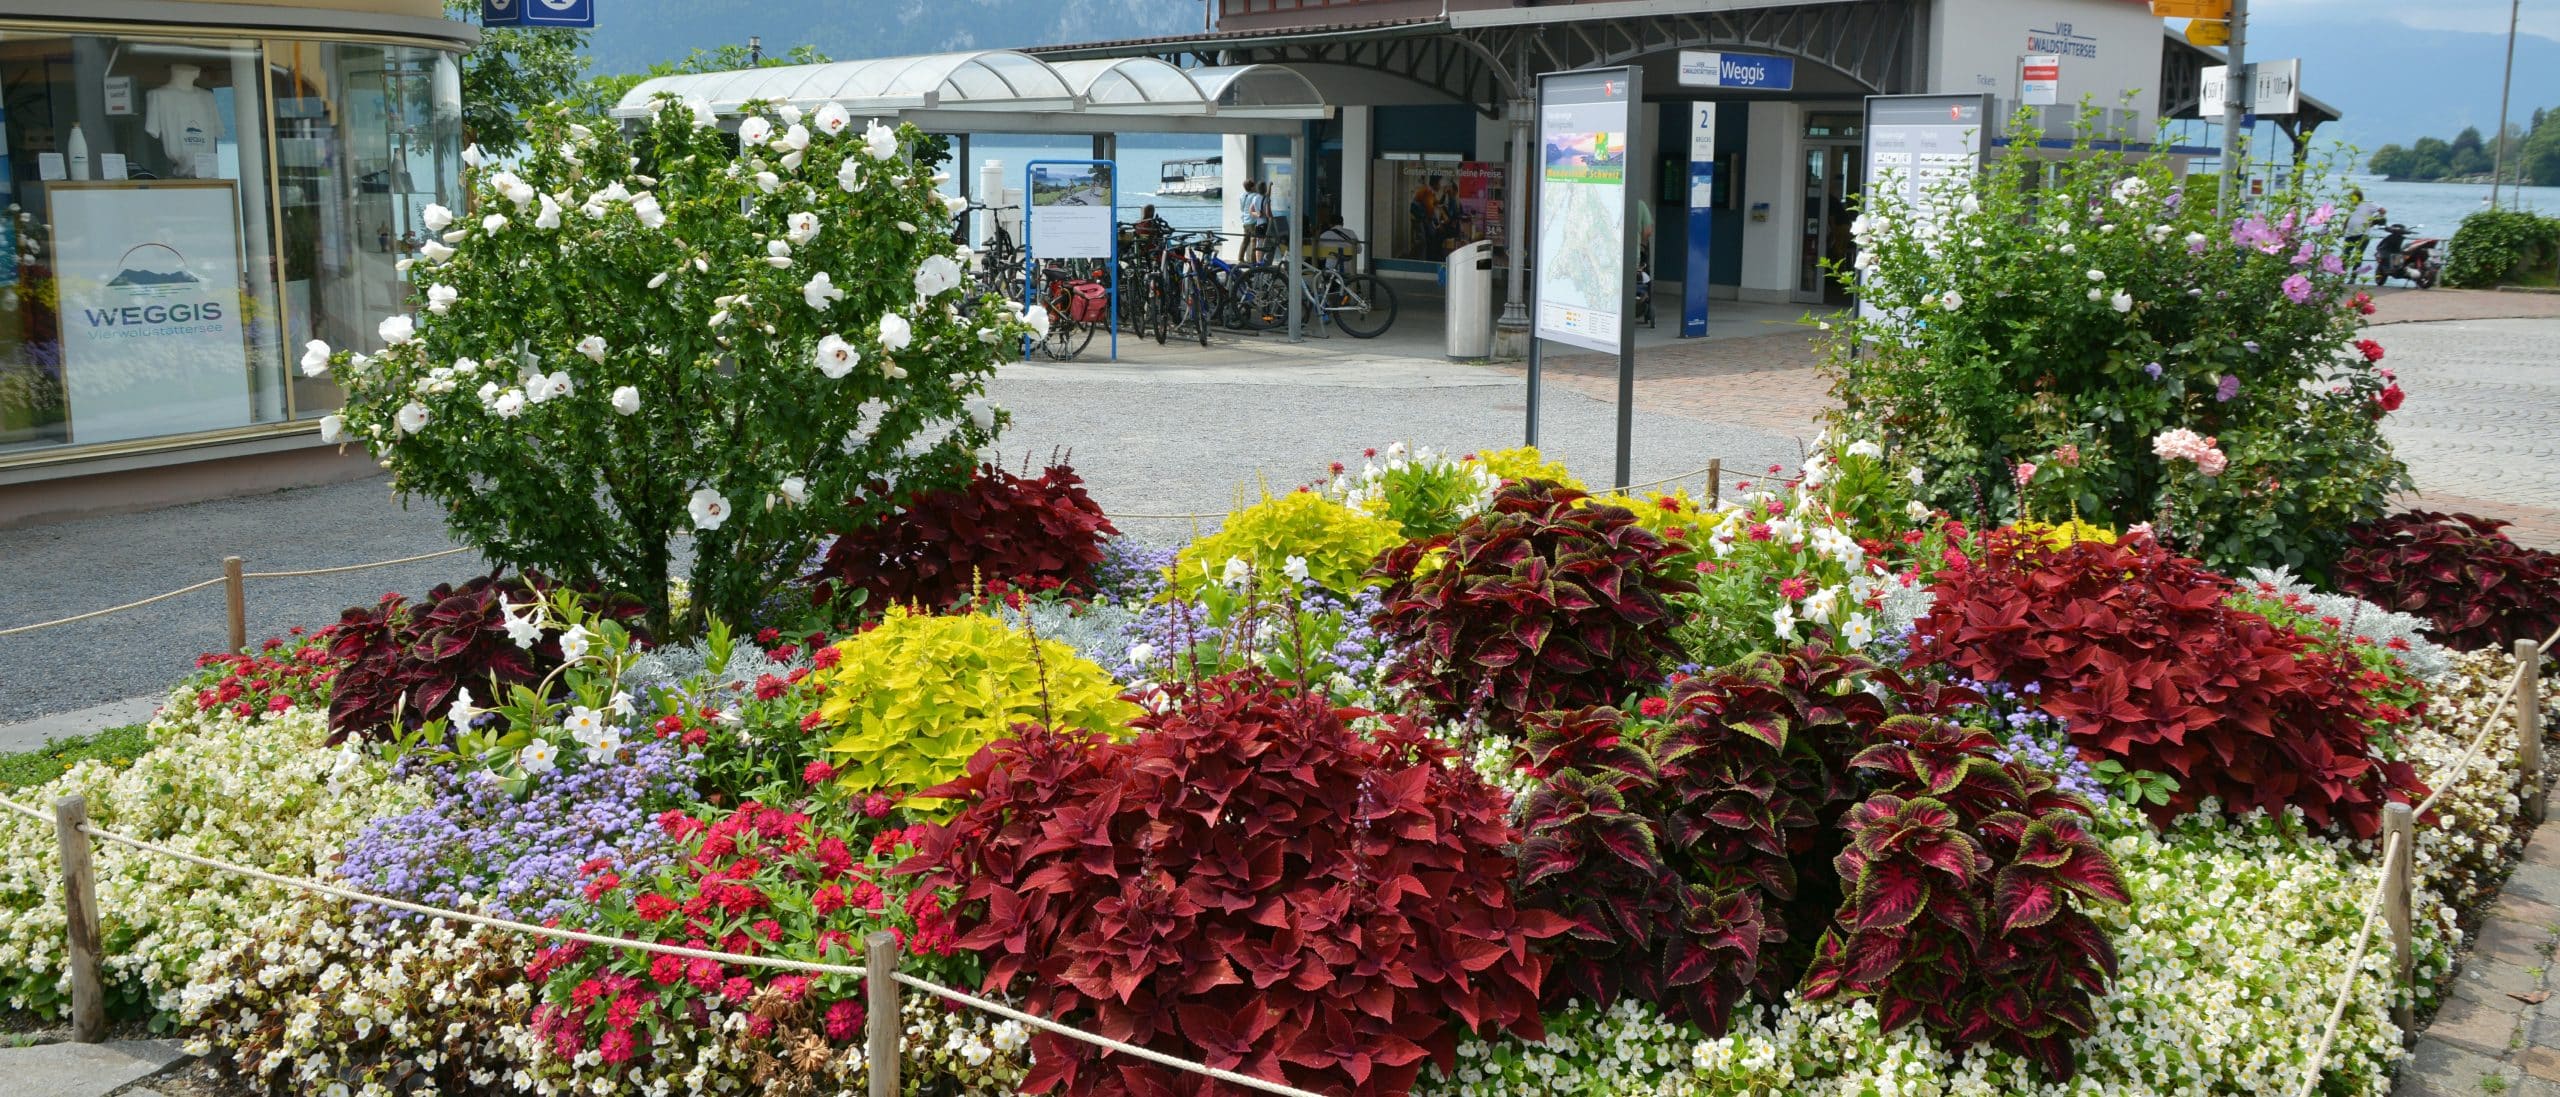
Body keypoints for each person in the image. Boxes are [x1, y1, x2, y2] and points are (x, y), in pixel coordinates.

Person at [2345, 188, 2383, 283]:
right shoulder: (2352, 207)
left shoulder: (2368, 204)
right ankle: (2340, 276)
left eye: (2352, 198)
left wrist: (2375, 220)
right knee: (2345, 255)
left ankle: (2353, 278)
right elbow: (2348, 218)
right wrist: (2342, 230)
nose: (2351, 200)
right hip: (2349, 235)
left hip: (2362, 235)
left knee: (2357, 257)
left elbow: (2382, 210)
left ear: (2358, 197)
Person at [1239, 180, 1270, 263]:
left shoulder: (1242, 195)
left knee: (1245, 241)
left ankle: (1240, 258)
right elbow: (1265, 197)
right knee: (1254, 240)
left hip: (1245, 221)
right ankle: (1253, 261)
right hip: (1253, 221)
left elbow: (1241, 208)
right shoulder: (1255, 196)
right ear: (1252, 187)